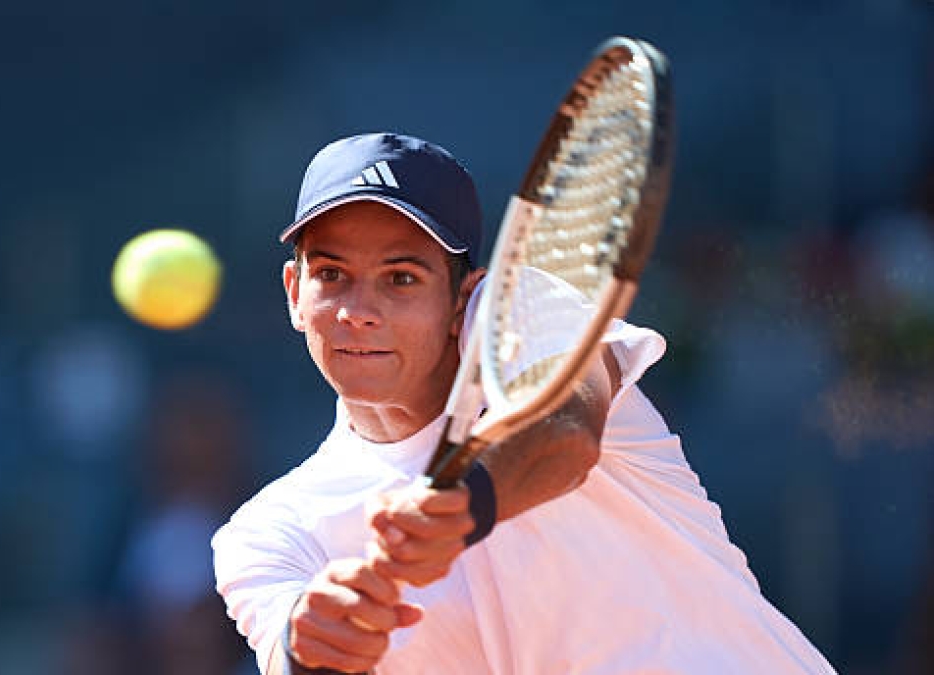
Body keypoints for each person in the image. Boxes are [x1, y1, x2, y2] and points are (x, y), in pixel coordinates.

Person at [211, 132, 836, 674]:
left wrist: (467, 505)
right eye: (331, 275)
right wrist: (324, 638)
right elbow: (298, 655)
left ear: (464, 299)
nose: (358, 312)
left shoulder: (520, 314)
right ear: (294, 292)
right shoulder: (267, 534)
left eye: (402, 278)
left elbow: (566, 433)